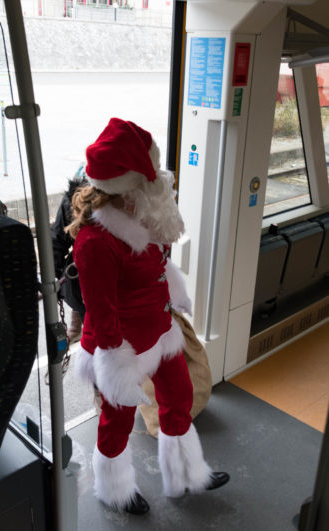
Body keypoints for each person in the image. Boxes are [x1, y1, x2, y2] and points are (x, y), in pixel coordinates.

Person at [67, 118, 230, 515]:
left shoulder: (141, 216)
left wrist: (174, 299)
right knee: (117, 421)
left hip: (159, 331)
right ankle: (116, 489)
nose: (158, 180)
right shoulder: (95, 243)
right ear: (128, 185)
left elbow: (157, 268)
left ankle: (187, 474)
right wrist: (117, 370)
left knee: (179, 397)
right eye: (149, 175)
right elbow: (102, 313)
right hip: (120, 348)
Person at [51, 168, 87, 342]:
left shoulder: (75, 197)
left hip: (81, 284)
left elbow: (57, 241)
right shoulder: (135, 199)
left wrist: (54, 280)